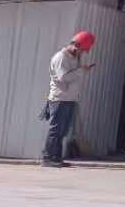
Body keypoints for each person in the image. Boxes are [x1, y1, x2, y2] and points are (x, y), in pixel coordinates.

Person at [41, 30, 96, 167]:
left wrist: (81, 69)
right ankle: (47, 158)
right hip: (60, 99)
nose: (82, 53)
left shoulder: (73, 58)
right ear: (76, 46)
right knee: (55, 129)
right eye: (82, 50)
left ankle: (56, 158)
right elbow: (63, 77)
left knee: (62, 131)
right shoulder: (61, 58)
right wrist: (81, 70)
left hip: (69, 99)